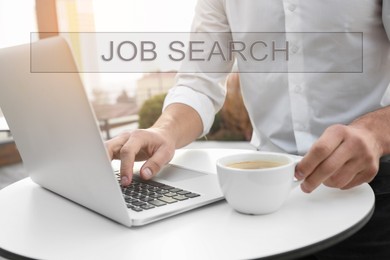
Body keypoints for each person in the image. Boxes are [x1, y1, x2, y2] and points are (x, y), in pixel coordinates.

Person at [106, 1, 390, 258]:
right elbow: (199, 82)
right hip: (264, 191)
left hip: (373, 189)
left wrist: (373, 133)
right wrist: (163, 131)